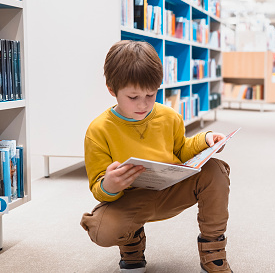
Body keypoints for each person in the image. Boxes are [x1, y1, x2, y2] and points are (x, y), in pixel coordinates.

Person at [80, 40, 232, 273]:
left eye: (151, 94)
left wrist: (206, 140)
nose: (143, 105)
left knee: (215, 170)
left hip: (171, 191)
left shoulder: (168, 116)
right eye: (133, 97)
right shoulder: (98, 131)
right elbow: (98, 187)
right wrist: (110, 184)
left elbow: (181, 150)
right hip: (129, 200)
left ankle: (213, 252)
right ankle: (131, 241)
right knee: (101, 231)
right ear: (112, 90)